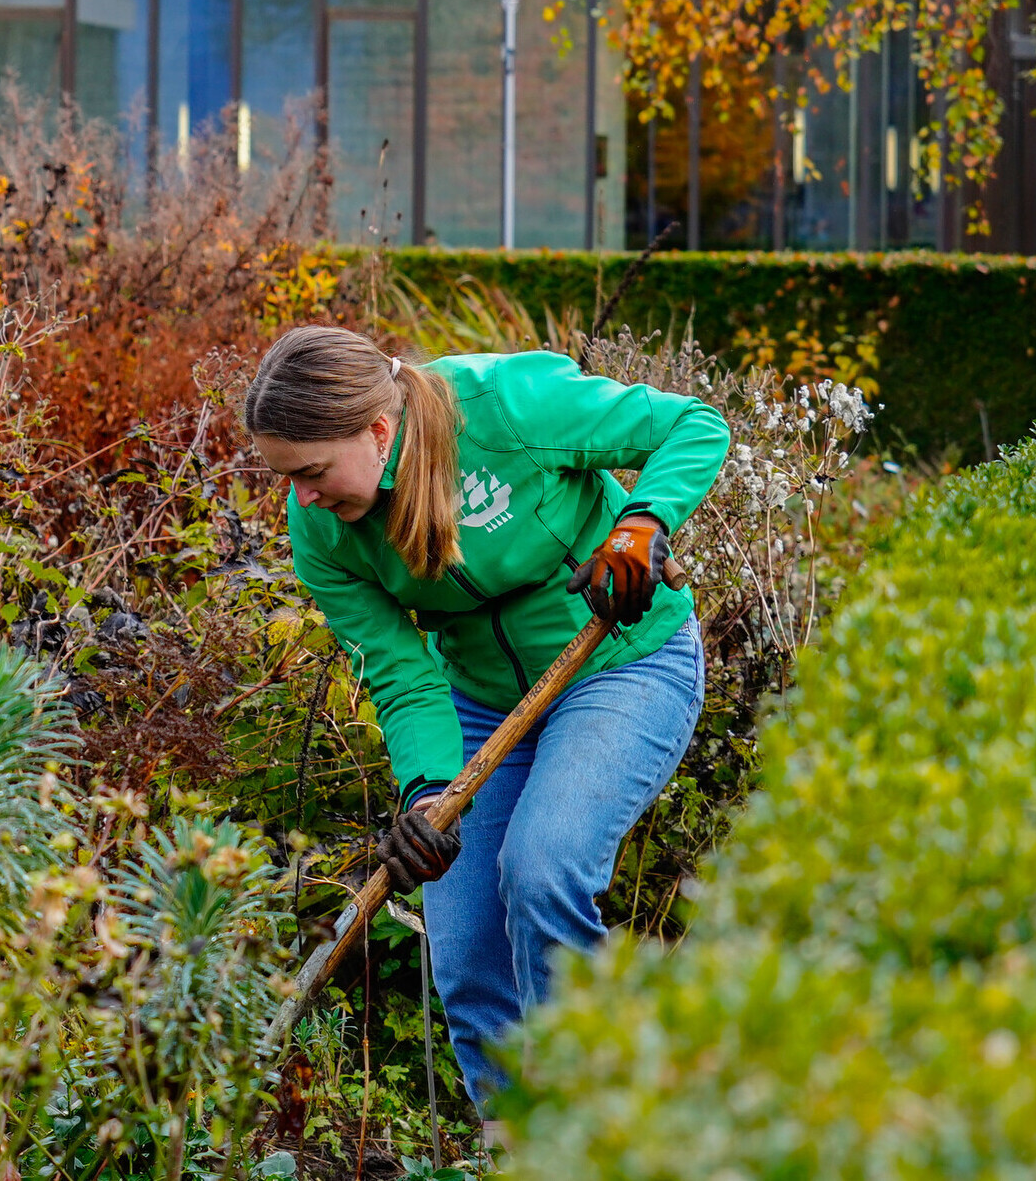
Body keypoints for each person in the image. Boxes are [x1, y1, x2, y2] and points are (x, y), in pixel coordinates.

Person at [240, 324, 730, 1111]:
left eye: (310, 471)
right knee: (467, 949)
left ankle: (604, 1131)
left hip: (619, 658)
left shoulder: (504, 408)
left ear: (377, 429)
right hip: (479, 700)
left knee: (542, 867)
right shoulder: (322, 530)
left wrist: (642, 523)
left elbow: (691, 423)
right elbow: (401, 672)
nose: (301, 496)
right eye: (285, 476)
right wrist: (428, 790)